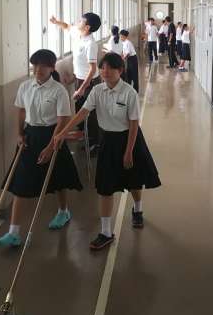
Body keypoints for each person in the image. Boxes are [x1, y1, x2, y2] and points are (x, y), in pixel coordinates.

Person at [54, 53, 161, 250]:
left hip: (129, 139)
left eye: (110, 68)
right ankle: (105, 232)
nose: (105, 71)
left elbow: (134, 124)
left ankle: (137, 209)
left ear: (120, 70)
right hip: (108, 141)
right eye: (102, 68)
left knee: (134, 180)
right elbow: (82, 113)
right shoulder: (97, 90)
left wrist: (128, 151)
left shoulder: (129, 93)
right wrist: (63, 132)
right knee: (105, 186)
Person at [0, 49, 82, 247]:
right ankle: (14, 233)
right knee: (21, 182)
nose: (38, 70)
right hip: (30, 136)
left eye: (43, 66)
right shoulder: (25, 86)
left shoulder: (59, 90)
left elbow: (63, 119)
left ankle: (63, 211)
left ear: (52, 68)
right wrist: (19, 133)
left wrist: (51, 146)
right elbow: (21, 111)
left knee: (58, 178)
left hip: (53, 135)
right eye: (35, 65)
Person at [50, 12, 101, 148]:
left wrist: (82, 88)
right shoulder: (79, 34)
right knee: (80, 109)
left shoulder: (90, 44)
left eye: (80, 21)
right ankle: (84, 133)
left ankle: (95, 141)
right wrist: (56, 22)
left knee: (90, 112)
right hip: (80, 79)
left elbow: (92, 69)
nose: (77, 22)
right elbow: (67, 26)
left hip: (90, 82)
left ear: (87, 27)